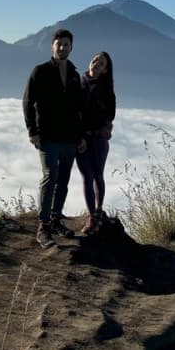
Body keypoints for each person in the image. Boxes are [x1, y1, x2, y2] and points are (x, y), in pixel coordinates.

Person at [23, 28, 87, 248]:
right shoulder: (39, 71)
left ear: (71, 47)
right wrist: (32, 132)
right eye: (59, 44)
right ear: (52, 46)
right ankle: (43, 227)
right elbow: (27, 103)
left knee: (63, 181)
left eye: (66, 45)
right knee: (50, 177)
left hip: (69, 138)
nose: (62, 48)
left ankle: (56, 218)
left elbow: (79, 108)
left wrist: (80, 136)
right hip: (47, 136)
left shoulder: (73, 74)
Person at [76, 51, 115, 236]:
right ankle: (92, 216)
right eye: (95, 60)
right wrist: (79, 136)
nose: (96, 64)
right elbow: (73, 112)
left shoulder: (107, 89)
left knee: (98, 175)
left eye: (101, 63)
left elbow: (110, 115)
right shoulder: (79, 83)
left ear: (106, 70)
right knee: (87, 176)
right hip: (81, 138)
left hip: (98, 139)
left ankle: (98, 210)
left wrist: (103, 131)